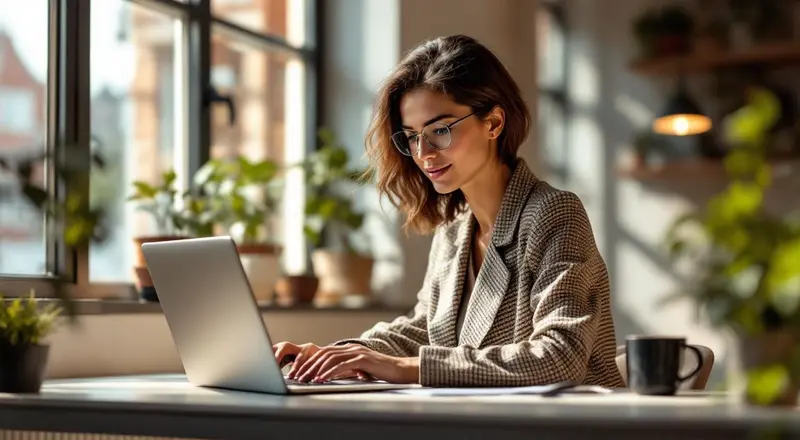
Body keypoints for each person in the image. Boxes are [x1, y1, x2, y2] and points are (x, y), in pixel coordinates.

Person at [273, 34, 626, 389]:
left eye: (440, 130)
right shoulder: (454, 231)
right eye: (411, 136)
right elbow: (426, 327)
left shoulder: (554, 213)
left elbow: (560, 356)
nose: (424, 152)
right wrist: (338, 354)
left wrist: (405, 367)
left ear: (493, 123)